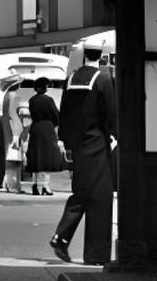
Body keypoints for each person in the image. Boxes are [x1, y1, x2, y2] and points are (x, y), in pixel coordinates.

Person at [50, 46, 118, 265]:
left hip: (77, 145)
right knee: (101, 197)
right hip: (97, 143)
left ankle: (61, 236)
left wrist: (66, 141)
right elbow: (111, 112)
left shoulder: (71, 79)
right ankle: (96, 255)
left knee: (81, 192)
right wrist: (119, 133)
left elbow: (65, 112)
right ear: (102, 57)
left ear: (84, 55)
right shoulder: (103, 79)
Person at [25, 76, 61, 196]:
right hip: (47, 128)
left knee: (36, 157)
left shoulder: (31, 100)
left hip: (35, 128)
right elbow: (56, 115)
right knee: (46, 158)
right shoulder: (48, 100)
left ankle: (35, 185)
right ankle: (45, 185)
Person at [6, 107, 32, 194]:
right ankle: (11, 185)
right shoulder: (13, 123)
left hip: (17, 147)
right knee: (12, 167)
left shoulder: (27, 125)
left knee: (17, 168)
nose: (25, 118)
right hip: (13, 146)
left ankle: (16, 186)